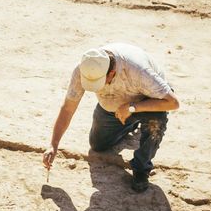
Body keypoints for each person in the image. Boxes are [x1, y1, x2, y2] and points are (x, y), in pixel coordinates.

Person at [43, 44, 180, 192]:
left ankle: (141, 168)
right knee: (98, 145)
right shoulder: (84, 68)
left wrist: (132, 108)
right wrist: (53, 144)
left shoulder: (138, 70)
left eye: (100, 83)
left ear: (112, 73)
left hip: (147, 103)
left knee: (155, 123)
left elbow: (173, 102)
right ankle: (129, 124)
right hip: (112, 108)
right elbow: (68, 108)